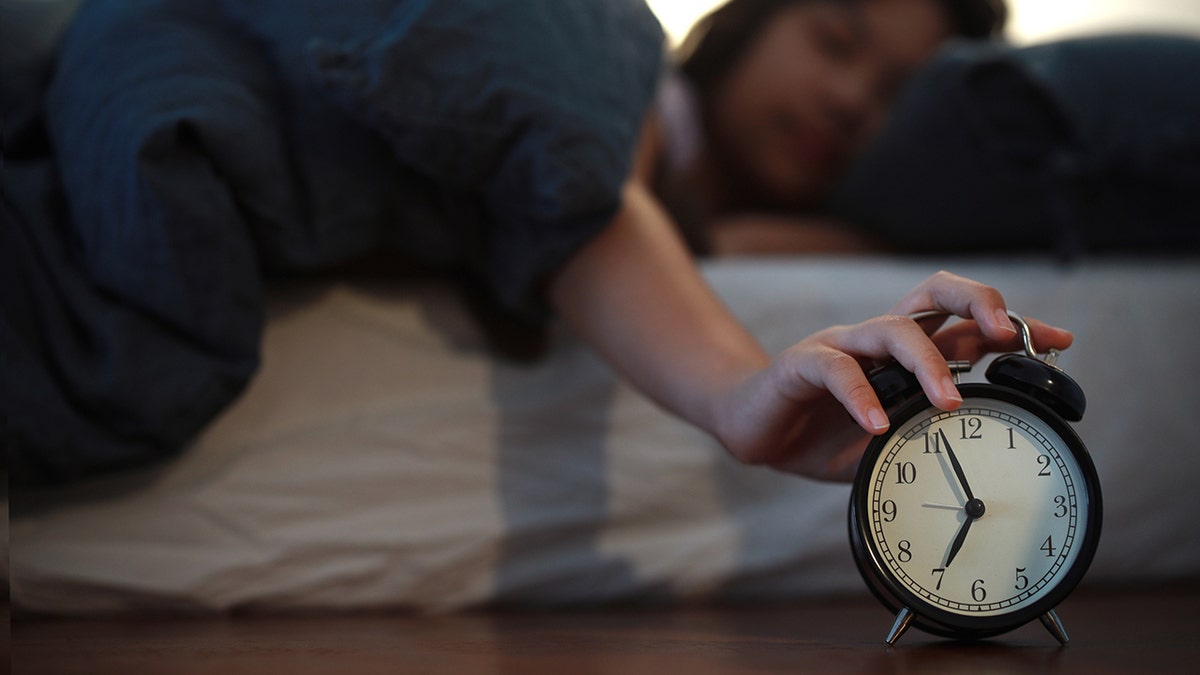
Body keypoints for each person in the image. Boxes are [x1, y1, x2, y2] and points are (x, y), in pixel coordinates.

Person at [2, 0, 1071, 485]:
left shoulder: (736, 216)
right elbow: (589, 183)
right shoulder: (628, 80)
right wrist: (735, 386)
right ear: (745, 21)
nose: (846, 98)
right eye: (835, 38)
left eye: (889, 98)